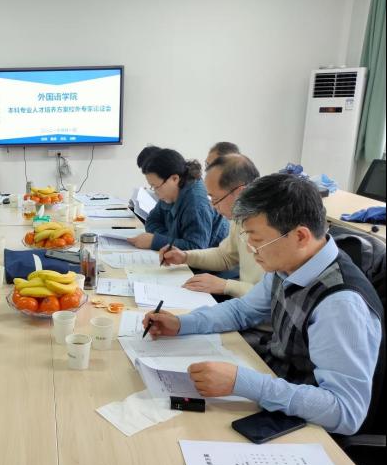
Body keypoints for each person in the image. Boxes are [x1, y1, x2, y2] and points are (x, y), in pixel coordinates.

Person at [143, 174, 383, 435]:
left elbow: (346, 411)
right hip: (275, 384)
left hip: (307, 427)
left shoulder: (340, 306)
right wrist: (181, 324)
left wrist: (242, 382)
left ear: (300, 236)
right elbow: (243, 310)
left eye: (257, 241)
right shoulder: (291, 264)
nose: (250, 249)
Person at [161, 154, 262, 298]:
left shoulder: (274, 228)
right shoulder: (240, 217)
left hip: (255, 308)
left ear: (240, 193)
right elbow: (225, 256)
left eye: (215, 199)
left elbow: (271, 298)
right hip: (243, 303)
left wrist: (226, 286)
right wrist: (185, 257)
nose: (213, 206)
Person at [128, 147, 228, 251]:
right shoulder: (169, 193)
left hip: (215, 258)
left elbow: (196, 247)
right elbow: (151, 221)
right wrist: (172, 240)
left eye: (156, 186)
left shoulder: (196, 203)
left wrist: (155, 241)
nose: (155, 192)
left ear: (174, 179)